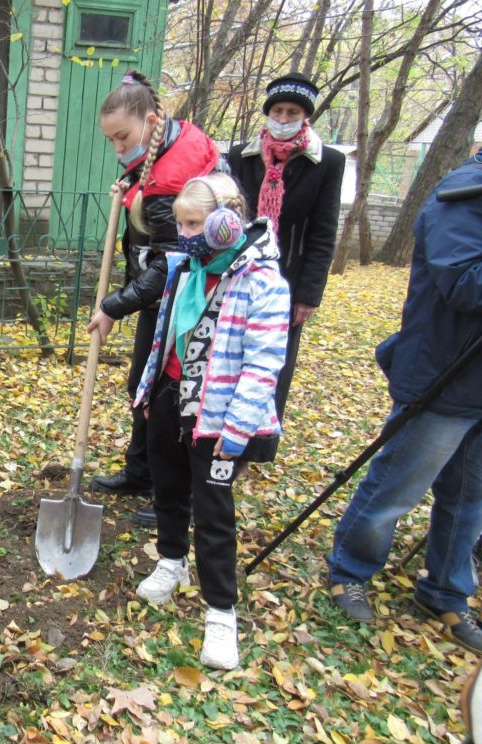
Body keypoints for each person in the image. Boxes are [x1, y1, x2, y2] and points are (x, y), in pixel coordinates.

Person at [326, 150, 482, 653]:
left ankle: (446, 591)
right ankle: (350, 569)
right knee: (396, 487)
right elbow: (464, 283)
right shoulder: (460, 199)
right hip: (444, 375)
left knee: (469, 499)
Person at [132, 173, 290, 670]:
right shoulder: (187, 268)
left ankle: (221, 614)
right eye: (180, 222)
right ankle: (171, 560)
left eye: (194, 222)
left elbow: (264, 365)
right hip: (171, 398)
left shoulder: (263, 282)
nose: (184, 232)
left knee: (214, 508)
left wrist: (236, 430)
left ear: (227, 220)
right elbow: (166, 333)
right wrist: (154, 390)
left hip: (218, 416)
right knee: (168, 486)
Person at [87, 70, 224, 528]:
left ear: (149, 120)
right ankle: (141, 473)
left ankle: (173, 493)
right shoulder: (166, 144)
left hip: (196, 298)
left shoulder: (172, 176)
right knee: (141, 385)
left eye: (122, 137)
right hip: (166, 294)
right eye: (109, 141)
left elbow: (169, 262)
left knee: (173, 397)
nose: (117, 148)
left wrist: (113, 304)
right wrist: (130, 194)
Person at [226, 72, 344, 448]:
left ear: (305, 116)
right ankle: (219, 433)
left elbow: (322, 232)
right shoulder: (240, 156)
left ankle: (255, 446)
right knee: (229, 355)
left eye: (292, 111)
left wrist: (308, 294)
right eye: (277, 109)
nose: (283, 117)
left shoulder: (326, 163)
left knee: (272, 364)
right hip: (237, 274)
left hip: (287, 281)